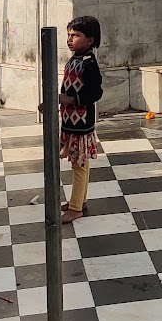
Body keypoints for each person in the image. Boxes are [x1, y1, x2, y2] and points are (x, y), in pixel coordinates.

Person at [59, 15, 104, 224]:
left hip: (81, 123)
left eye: (75, 35)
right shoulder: (74, 60)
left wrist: (71, 100)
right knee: (79, 163)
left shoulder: (89, 64)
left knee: (79, 164)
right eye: (69, 35)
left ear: (90, 40)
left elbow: (95, 93)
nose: (70, 39)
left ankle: (76, 207)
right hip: (70, 121)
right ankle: (80, 201)